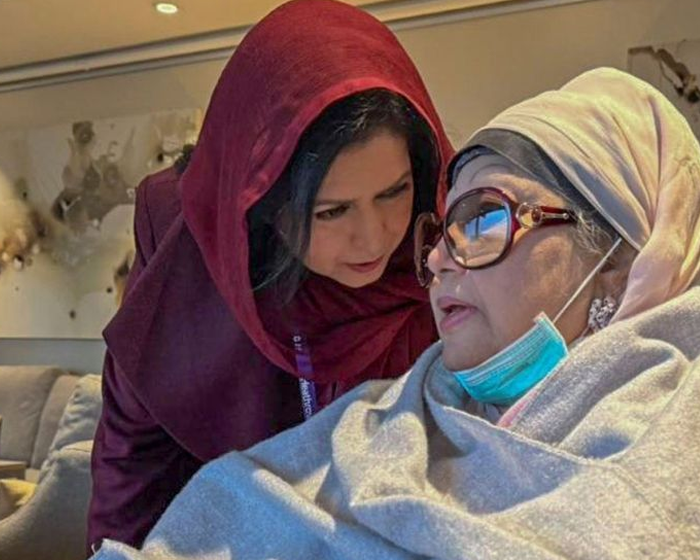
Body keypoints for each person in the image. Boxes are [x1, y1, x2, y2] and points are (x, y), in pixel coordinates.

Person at [90, 68, 700, 559]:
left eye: (485, 219)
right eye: (443, 230)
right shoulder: (380, 423)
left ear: (619, 254)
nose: (434, 258)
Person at [87, 0, 452, 550]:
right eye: (332, 211)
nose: (375, 239)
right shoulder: (184, 245)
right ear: (259, 204)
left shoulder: (448, 247)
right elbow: (134, 458)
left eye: (394, 192)